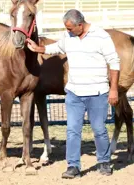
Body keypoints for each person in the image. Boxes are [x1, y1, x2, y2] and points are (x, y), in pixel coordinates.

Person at [26, 9, 119, 178]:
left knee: (99, 129)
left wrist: (113, 89)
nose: (67, 32)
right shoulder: (69, 36)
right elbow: (57, 47)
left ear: (80, 25)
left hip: (97, 93)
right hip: (74, 93)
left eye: (69, 28)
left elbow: (114, 62)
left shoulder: (101, 36)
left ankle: (104, 162)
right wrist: (38, 48)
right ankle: (73, 166)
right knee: (72, 130)